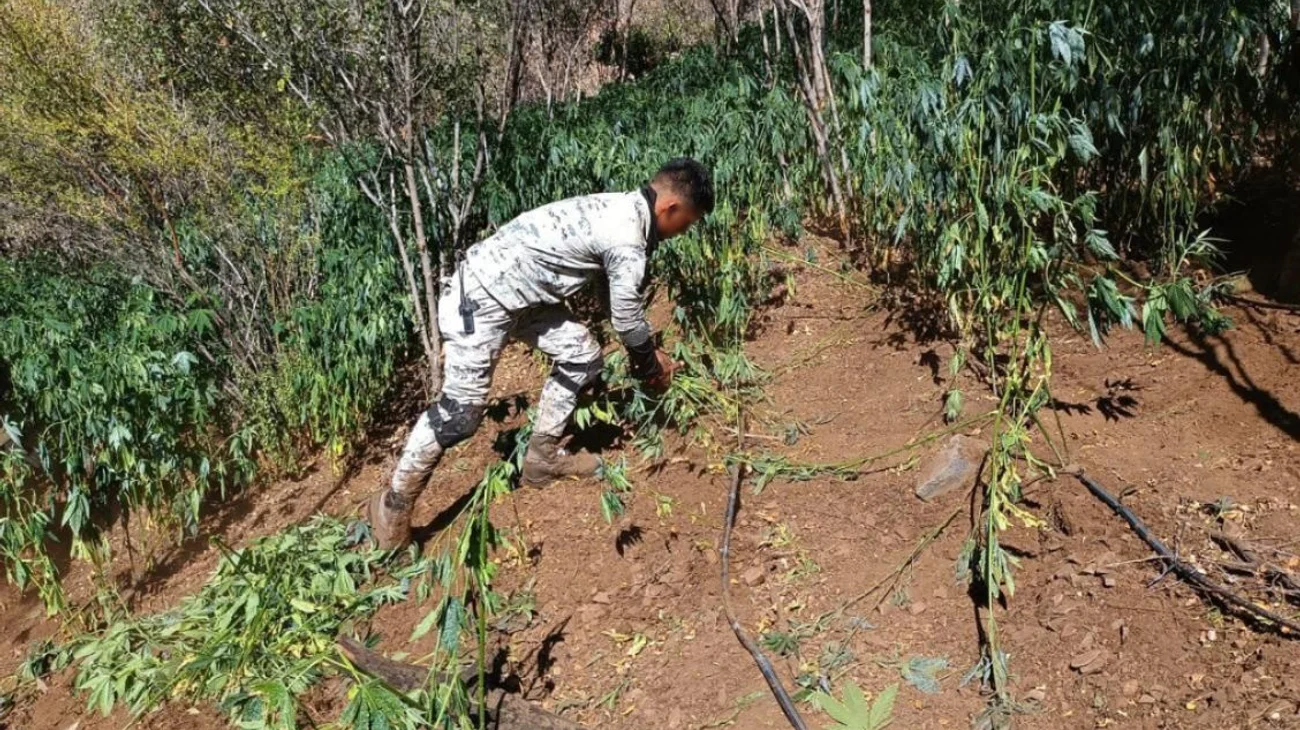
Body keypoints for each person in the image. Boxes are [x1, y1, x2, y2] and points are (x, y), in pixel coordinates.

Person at [368, 158, 715, 549]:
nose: (682, 232)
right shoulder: (626, 237)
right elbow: (626, 317)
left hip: (524, 296)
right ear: (670, 208)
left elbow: (612, 299)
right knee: (459, 417)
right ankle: (392, 509)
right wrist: (650, 368)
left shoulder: (621, 209)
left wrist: (646, 350)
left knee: (582, 355)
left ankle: (542, 458)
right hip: (480, 297)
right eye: (685, 223)